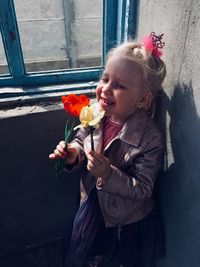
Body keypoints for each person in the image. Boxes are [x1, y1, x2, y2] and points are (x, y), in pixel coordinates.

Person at [49, 32, 166, 267]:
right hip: (93, 204)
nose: (105, 89)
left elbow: (143, 188)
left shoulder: (150, 138)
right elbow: (83, 139)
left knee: (116, 256)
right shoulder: (96, 113)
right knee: (88, 251)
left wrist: (108, 174)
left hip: (124, 219)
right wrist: (73, 152)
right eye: (105, 79)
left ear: (142, 100)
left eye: (119, 85)